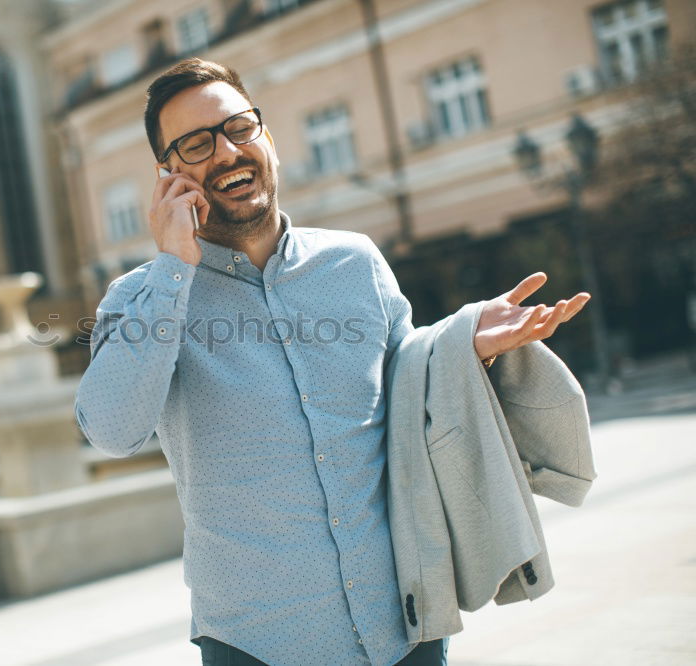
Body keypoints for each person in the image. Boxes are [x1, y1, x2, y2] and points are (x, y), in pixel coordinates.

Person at [74, 58, 590, 666]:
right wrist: (173, 268)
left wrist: (462, 343)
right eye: (196, 144)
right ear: (168, 176)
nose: (226, 152)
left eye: (239, 128)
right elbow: (109, 429)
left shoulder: (356, 262)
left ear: (266, 138)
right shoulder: (143, 297)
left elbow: (407, 385)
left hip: (407, 628)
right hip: (258, 645)